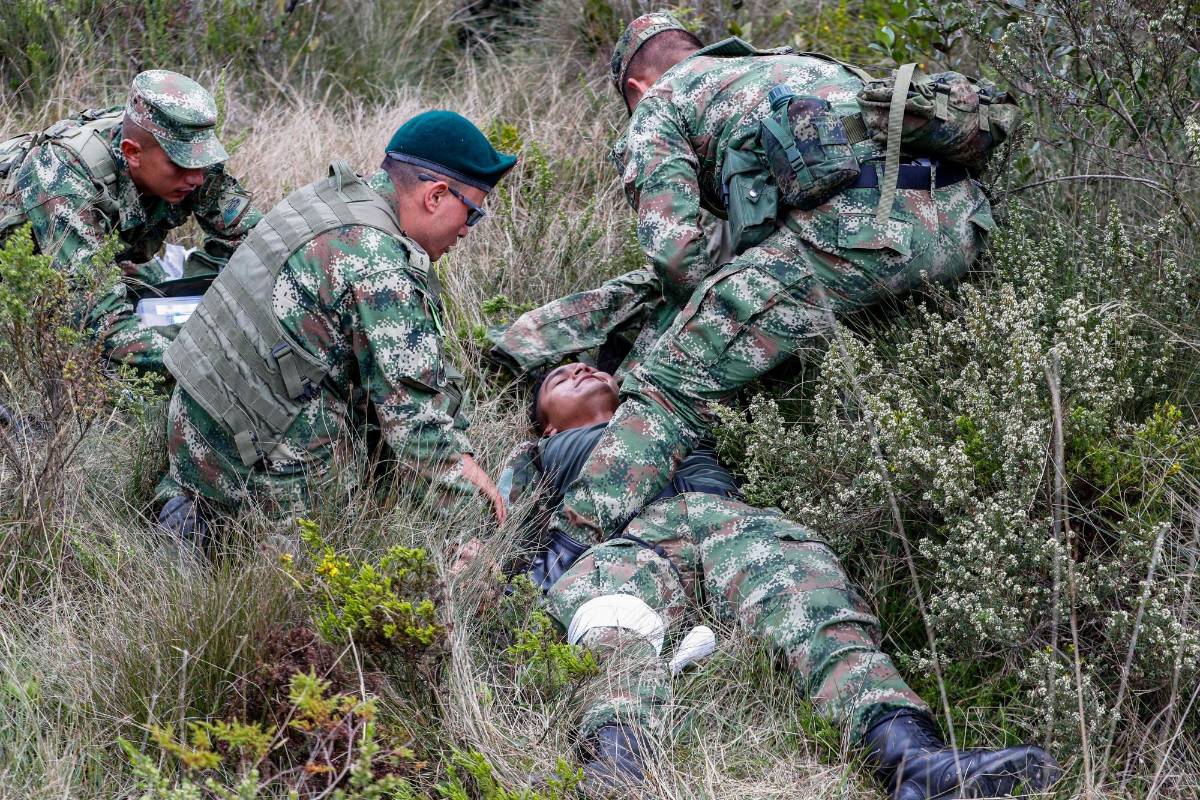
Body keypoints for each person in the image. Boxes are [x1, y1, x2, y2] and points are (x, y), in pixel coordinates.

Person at [501, 361, 1059, 799]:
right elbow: (510, 531)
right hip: (626, 542)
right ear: (546, 422)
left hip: (724, 519)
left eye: (593, 368)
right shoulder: (537, 456)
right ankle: (620, 771)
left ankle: (913, 758)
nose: (581, 370)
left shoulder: (668, 410)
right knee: (611, 620)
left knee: (807, 596)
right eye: (560, 375)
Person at [548, 13, 999, 548]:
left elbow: (673, 256)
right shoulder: (786, 63)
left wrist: (699, 319)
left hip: (864, 236)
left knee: (671, 382)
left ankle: (563, 548)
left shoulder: (660, 101)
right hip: (966, 222)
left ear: (635, 87)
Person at [157, 111, 516, 538]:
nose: (466, 232)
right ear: (436, 196)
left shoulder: (327, 198)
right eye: (472, 214)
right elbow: (418, 432)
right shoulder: (379, 267)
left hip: (192, 431)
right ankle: (233, 531)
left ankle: (194, 507)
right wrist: (477, 517)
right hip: (246, 468)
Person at [0, 70, 262, 379]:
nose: (197, 178)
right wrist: (208, 367)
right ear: (132, 153)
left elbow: (260, 244)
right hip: (20, 271)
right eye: (181, 164)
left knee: (156, 288)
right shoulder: (63, 177)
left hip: (90, 253)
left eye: (201, 161)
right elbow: (100, 322)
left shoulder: (182, 157)